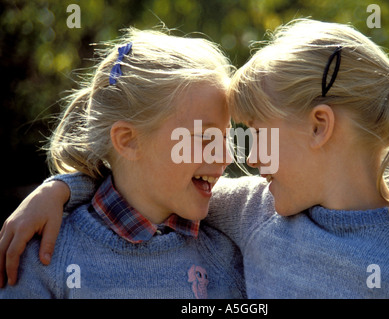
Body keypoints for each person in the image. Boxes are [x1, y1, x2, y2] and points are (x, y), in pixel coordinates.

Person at [2, 19, 389, 299]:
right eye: (206, 139)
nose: (236, 160)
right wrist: (60, 188)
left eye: (246, 137)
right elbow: (134, 186)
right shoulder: (255, 212)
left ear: (319, 126)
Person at [0, 27, 247, 298]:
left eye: (225, 136)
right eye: (205, 136)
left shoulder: (229, 253)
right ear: (128, 140)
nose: (227, 156)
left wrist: (62, 189)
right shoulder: (44, 256)